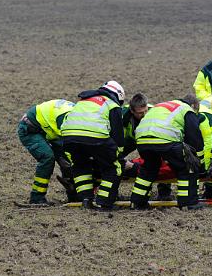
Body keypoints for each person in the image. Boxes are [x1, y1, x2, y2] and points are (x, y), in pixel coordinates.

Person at [130, 95, 205, 210]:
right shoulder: (186, 109)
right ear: (193, 106)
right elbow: (194, 138)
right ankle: (188, 203)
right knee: (186, 167)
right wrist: (200, 161)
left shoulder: (160, 106)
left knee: (148, 169)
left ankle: (137, 202)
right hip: (164, 139)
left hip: (142, 139)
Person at [60, 80, 125, 211]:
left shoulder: (83, 101)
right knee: (113, 168)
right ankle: (103, 203)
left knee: (80, 166)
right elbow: (117, 134)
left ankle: (85, 200)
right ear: (118, 96)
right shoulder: (112, 105)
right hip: (96, 137)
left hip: (69, 138)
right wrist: (118, 154)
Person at [17, 99, 75, 206]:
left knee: (67, 161)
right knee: (47, 157)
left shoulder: (76, 117)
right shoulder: (67, 120)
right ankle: (36, 198)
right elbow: (70, 147)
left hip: (49, 130)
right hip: (30, 129)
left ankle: (74, 196)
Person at [119, 93, 173, 200]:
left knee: (162, 160)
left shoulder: (155, 112)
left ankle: (164, 192)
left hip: (150, 139)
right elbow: (118, 138)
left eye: (145, 111)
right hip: (130, 139)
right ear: (132, 111)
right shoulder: (123, 116)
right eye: (140, 113)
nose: (144, 115)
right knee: (116, 159)